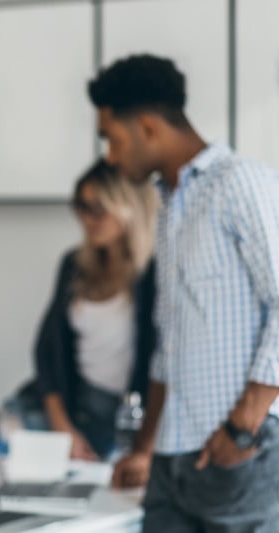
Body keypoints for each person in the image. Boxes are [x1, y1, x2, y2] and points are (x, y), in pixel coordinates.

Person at [90, 54, 279, 531]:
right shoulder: (171, 205)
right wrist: (144, 447)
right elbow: (168, 347)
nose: (111, 158)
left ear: (149, 127)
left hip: (239, 452)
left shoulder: (239, 182)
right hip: (172, 459)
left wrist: (242, 426)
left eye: (113, 140)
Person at [4, 159, 158, 461]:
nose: (88, 219)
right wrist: (63, 427)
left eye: (98, 208)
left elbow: (161, 363)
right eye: (81, 207)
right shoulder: (74, 266)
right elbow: (48, 352)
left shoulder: (153, 275)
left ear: (128, 206)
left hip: (128, 418)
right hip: (74, 408)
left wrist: (145, 443)